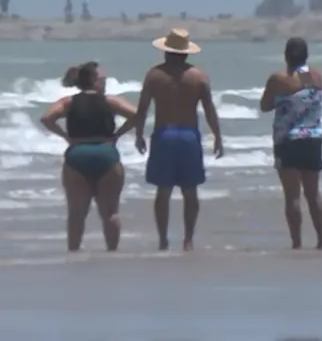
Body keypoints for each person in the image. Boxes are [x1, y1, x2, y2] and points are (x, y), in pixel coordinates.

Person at [133, 29, 224, 251]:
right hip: (188, 136)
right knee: (190, 191)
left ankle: (163, 239)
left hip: (164, 135)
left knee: (163, 191)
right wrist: (218, 137)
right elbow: (209, 110)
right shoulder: (199, 77)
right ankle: (188, 239)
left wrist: (138, 135)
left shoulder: (154, 76)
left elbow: (143, 108)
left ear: (166, 52)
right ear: (186, 53)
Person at [39, 62, 139, 251]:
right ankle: (112, 253)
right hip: (106, 154)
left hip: (77, 155)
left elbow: (46, 118)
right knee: (110, 212)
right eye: (103, 79)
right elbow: (137, 114)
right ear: (94, 80)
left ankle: (74, 253)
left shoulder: (68, 102)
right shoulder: (110, 101)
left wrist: (66, 137)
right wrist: (118, 134)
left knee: (76, 213)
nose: (105, 82)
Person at [259, 37, 322, 250]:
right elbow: (305, 91)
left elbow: (265, 105)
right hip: (313, 139)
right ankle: (321, 241)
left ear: (286, 55)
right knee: (313, 193)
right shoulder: (316, 76)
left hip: (288, 140)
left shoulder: (279, 79)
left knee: (292, 197)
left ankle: (297, 243)